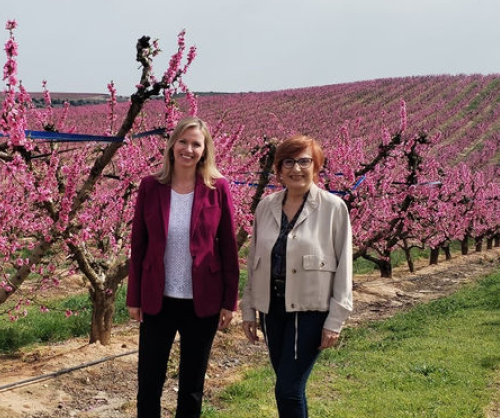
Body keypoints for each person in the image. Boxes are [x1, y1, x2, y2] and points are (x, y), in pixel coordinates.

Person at [127, 116, 239, 418]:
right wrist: (133, 297)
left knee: (192, 386)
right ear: (173, 144)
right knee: (149, 382)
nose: (188, 149)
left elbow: (228, 247)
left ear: (205, 150)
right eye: (183, 141)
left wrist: (230, 301)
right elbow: (138, 245)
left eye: (196, 144)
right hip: (157, 299)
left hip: (202, 301)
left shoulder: (217, 188)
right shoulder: (150, 186)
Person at [241, 135, 353, 418]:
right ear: (278, 169)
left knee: (288, 389)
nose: (296, 169)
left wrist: (336, 320)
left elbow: (344, 268)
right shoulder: (265, 207)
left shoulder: (332, 208)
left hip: (310, 311)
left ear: (316, 167)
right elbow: (255, 261)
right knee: (288, 386)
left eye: (305, 161)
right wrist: (249, 310)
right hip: (272, 309)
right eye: (288, 162)